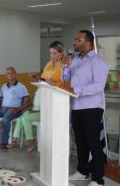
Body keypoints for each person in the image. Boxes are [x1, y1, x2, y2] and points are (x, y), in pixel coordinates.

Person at [63, 30, 108, 186]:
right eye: (74, 39)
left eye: (78, 40)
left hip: (92, 107)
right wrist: (66, 67)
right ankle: (82, 171)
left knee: (93, 142)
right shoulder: (75, 60)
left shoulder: (98, 61)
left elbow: (98, 86)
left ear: (88, 42)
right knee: (80, 141)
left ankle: (98, 178)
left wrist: (77, 90)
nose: (74, 42)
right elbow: (66, 79)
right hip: (76, 106)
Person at [8, 41, 69, 152]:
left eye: (54, 53)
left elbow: (66, 84)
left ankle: (29, 140)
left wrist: (54, 84)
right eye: (50, 53)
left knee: (24, 117)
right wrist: (38, 80)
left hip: (54, 102)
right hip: (42, 99)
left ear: (61, 53)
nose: (52, 56)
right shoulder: (49, 64)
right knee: (22, 116)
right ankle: (19, 139)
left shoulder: (65, 66)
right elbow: (44, 79)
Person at [0, 66, 31, 149]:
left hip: (14, 110)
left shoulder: (21, 87)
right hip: (2, 109)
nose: (10, 75)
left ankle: (4, 141)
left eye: (12, 73)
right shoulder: (3, 86)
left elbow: (28, 102)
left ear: (16, 74)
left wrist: (17, 109)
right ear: (6, 76)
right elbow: (0, 99)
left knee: (5, 119)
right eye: (8, 74)